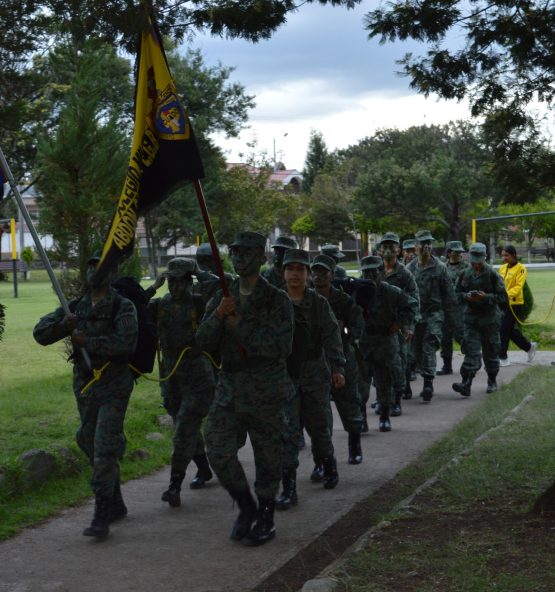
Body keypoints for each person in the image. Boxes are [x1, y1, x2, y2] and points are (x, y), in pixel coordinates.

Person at [196, 231, 294, 546]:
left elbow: (282, 346)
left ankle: (265, 515)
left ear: (262, 257)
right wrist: (218, 316)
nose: (239, 257)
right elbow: (202, 341)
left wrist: (241, 329)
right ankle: (245, 504)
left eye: (247, 252)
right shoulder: (223, 296)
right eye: (235, 251)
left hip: (266, 388)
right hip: (230, 388)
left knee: (268, 456)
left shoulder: (276, 298)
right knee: (217, 449)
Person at [33, 252, 138, 538]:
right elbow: (40, 334)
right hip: (85, 385)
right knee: (89, 441)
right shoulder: (75, 307)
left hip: (114, 384)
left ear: (111, 273)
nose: (94, 272)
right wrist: (63, 327)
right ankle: (115, 501)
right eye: (90, 267)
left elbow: (126, 342)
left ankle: (101, 514)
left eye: (100, 267)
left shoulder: (122, 306)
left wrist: (87, 341)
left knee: (104, 443)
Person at [277, 249, 345, 511]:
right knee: (287, 433)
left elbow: (332, 336)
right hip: (285, 376)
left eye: (300, 269)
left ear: (307, 274)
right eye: (290, 268)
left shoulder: (318, 304)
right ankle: (288, 488)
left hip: (315, 373)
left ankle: (328, 464)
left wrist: (338, 368)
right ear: (283, 272)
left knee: (319, 428)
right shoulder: (275, 302)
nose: (295, 274)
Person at [145, 258, 217, 505]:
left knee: (184, 428)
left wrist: (198, 271)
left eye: (181, 281)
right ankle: (204, 468)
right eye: (171, 281)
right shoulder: (160, 305)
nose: (175, 287)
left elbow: (224, 287)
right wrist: (153, 287)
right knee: (184, 425)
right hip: (171, 377)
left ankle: (174, 485)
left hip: (197, 377)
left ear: (189, 282)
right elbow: (131, 306)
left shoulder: (200, 302)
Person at [311, 253, 365, 465]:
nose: (318, 276)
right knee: (318, 413)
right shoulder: (307, 299)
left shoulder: (343, 300)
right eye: (315, 272)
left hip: (342, 357)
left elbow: (357, 327)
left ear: (332, 275)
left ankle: (355, 445)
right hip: (316, 361)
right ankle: (322, 459)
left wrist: (344, 330)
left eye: (323, 272)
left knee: (349, 403)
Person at [357, 255, 418, 431]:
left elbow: (412, 305)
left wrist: (400, 323)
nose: (370, 276)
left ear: (381, 272)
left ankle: (385, 415)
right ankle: (361, 417)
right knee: (361, 381)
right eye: (366, 273)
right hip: (363, 340)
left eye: (374, 272)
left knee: (386, 379)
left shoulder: (391, 292)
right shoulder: (357, 291)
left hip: (385, 340)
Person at [406, 230, 456, 402]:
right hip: (414, 316)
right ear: (416, 246)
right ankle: (405, 383)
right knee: (412, 351)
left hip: (434, 314)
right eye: (423, 243)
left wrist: (451, 321)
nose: (426, 247)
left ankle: (428, 383)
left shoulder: (440, 268)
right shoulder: (409, 269)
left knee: (429, 346)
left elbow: (449, 296)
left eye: (429, 243)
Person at [452, 243, 508, 396]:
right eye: (473, 261)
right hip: (471, 320)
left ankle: (492, 381)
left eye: (479, 262)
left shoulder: (492, 274)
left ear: (485, 258)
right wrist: (466, 296)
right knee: (471, 352)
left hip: (489, 320)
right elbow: (456, 294)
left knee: (490, 352)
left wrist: (486, 297)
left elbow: (503, 297)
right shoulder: (464, 274)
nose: (476, 265)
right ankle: (466, 383)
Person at [378, 231, 419, 414]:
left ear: (398, 250)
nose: (388, 250)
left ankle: (396, 400)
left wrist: (407, 326)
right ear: (380, 250)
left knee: (398, 364)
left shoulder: (404, 274)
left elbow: (414, 301)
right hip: (377, 326)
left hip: (397, 327)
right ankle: (382, 399)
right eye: (385, 246)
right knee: (377, 364)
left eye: (392, 246)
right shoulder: (374, 271)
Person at [498, 244, 537, 366]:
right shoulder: (502, 268)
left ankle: (502, 358)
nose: (504, 258)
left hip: (515, 304)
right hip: (502, 303)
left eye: (506, 255)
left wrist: (505, 295)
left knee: (504, 329)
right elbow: (498, 284)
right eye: (503, 255)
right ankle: (529, 347)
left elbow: (518, 287)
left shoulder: (521, 269)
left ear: (514, 255)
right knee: (509, 330)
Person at [437, 241, 468, 375]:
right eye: (456, 252)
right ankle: (447, 365)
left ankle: (471, 361)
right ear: (449, 253)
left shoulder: (466, 268)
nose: (459, 254)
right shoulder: (442, 268)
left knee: (462, 336)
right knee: (445, 338)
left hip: (460, 309)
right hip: (445, 308)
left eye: (460, 252)